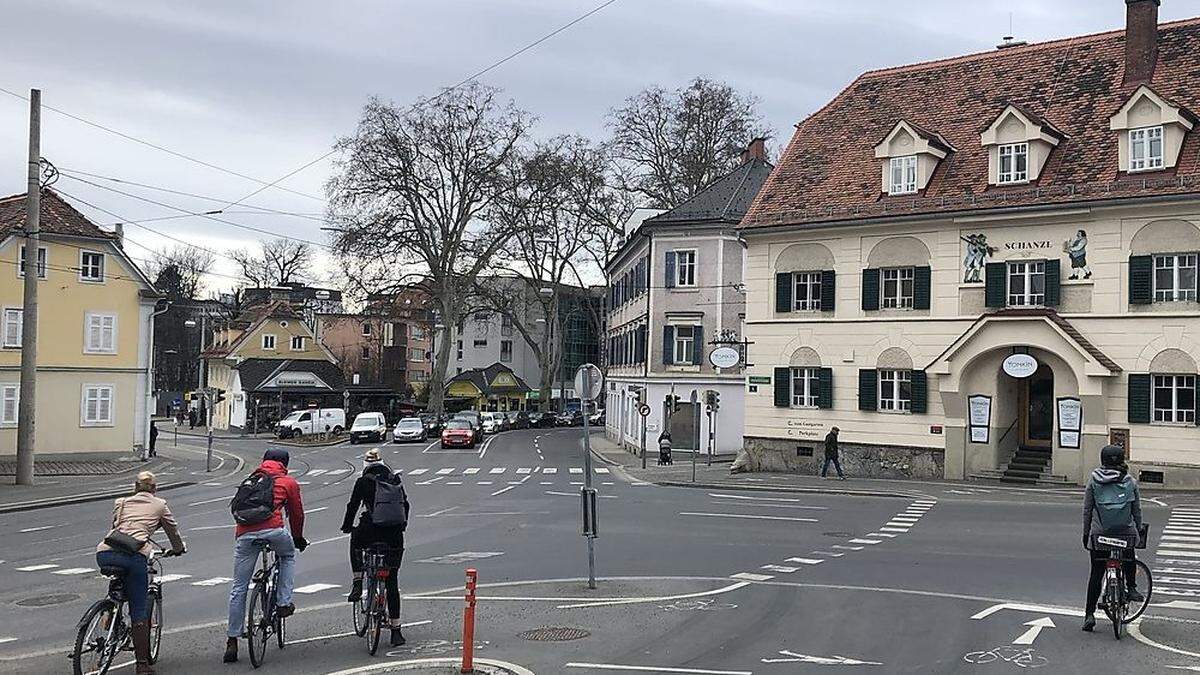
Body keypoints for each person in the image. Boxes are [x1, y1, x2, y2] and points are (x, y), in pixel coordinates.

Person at [96, 471, 185, 675]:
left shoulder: (121, 502)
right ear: (154, 489)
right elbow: (173, 531)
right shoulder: (159, 505)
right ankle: (142, 664)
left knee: (118, 581)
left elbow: (116, 527)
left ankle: (111, 612)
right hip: (134, 556)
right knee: (139, 609)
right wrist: (178, 548)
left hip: (105, 553)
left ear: (135, 487)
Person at [224, 449, 308, 663]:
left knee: (239, 586)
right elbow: (297, 513)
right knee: (287, 556)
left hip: (245, 534)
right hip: (274, 530)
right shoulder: (288, 482)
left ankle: (232, 640)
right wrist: (298, 538)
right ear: (285, 464)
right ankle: (283, 602)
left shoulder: (251, 480)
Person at [341, 448, 410, 647]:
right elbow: (405, 505)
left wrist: (347, 526)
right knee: (392, 582)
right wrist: (402, 526)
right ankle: (396, 631)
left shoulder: (363, 481)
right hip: (394, 535)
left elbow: (353, 505)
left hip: (370, 531)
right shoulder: (395, 479)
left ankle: (357, 581)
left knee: (355, 540)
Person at [1081, 444, 1144, 632]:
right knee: (1129, 555)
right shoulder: (1130, 482)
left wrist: (1086, 534)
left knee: (1096, 573)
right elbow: (1137, 510)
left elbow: (1087, 510)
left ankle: (1089, 615)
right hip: (1124, 532)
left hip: (1100, 534)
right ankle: (1131, 588)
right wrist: (1139, 529)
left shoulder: (1093, 481)